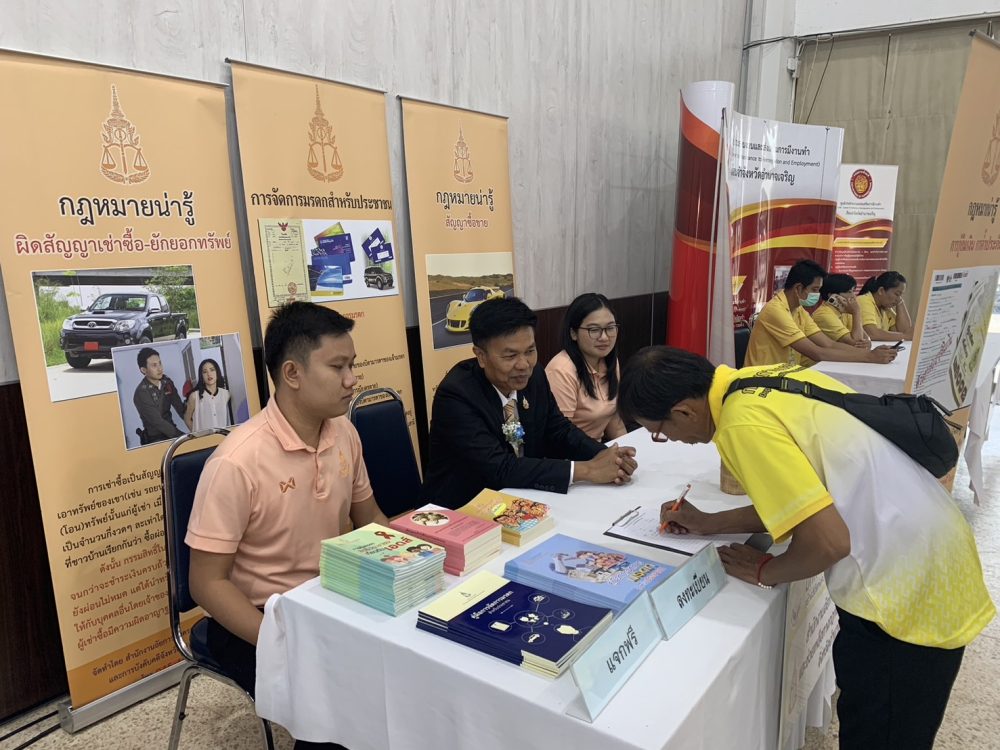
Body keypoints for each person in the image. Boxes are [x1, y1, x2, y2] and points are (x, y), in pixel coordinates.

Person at [617, 346, 995, 749]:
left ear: (684, 412)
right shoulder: (760, 381)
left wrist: (764, 571)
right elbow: (801, 497)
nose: (668, 440)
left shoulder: (740, 424)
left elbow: (828, 542)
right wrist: (710, 523)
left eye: (660, 431)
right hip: (934, 554)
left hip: (899, 602)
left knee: (881, 732)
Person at [186, 302, 386, 750]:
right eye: (338, 367)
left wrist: (409, 568)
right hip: (258, 616)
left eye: (352, 365)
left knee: (407, 665)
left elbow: (370, 519)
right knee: (339, 705)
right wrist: (280, 641)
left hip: (332, 595)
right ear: (292, 373)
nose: (352, 379)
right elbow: (206, 583)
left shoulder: (344, 433)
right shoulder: (236, 463)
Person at [420, 297, 638, 509]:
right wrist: (587, 470)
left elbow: (558, 429)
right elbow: (499, 467)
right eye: (510, 356)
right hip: (463, 508)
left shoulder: (535, 376)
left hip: (523, 498)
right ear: (481, 356)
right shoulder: (456, 395)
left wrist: (604, 455)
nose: (524, 364)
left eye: (530, 351)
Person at [745, 259, 897, 367]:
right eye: (815, 289)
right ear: (798, 288)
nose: (817, 295)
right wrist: (869, 356)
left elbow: (828, 344)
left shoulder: (799, 311)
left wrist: (867, 352)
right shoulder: (775, 310)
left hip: (785, 375)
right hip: (762, 379)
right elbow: (817, 353)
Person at [545, 292, 628, 441]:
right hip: (571, 452)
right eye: (594, 330)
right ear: (573, 333)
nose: (604, 337)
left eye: (610, 328)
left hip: (598, 448)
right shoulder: (561, 370)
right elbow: (561, 436)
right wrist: (599, 453)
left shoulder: (610, 361)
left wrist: (627, 448)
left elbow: (614, 421)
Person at [133, 346, 185, 444]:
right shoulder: (141, 393)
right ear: (143, 370)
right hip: (156, 438)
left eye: (160, 363)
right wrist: (183, 437)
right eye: (154, 365)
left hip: (172, 430)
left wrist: (195, 424)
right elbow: (158, 422)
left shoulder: (167, 382)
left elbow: (180, 408)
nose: (160, 368)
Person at [811, 273, 870, 347]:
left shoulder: (845, 311)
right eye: (849, 292)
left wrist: (868, 343)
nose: (854, 296)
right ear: (833, 296)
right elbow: (856, 343)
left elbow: (865, 339)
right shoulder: (823, 315)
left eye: (853, 291)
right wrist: (856, 312)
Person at [858, 271, 914, 342]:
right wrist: (905, 336)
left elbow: (904, 330)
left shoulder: (886, 308)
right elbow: (871, 333)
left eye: (901, 295)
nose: (898, 299)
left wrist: (900, 303)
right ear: (881, 290)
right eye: (897, 294)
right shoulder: (864, 300)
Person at [183, 358, 232, 432]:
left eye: (212, 370)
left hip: (222, 437)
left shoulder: (226, 394)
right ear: (201, 376)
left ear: (217, 372)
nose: (209, 374)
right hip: (204, 438)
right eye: (205, 372)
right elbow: (187, 419)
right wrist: (197, 435)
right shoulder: (194, 396)